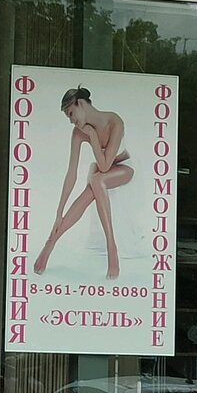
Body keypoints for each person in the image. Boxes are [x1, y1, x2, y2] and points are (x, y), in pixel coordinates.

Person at [34, 86, 134, 279]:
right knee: (93, 185)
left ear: (80, 103)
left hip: (125, 167)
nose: (71, 121)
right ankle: (50, 242)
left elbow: (104, 166)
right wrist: (58, 212)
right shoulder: (78, 132)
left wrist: (93, 136)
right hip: (103, 171)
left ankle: (111, 246)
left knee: (97, 178)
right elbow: (71, 174)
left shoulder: (114, 121)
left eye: (71, 114)